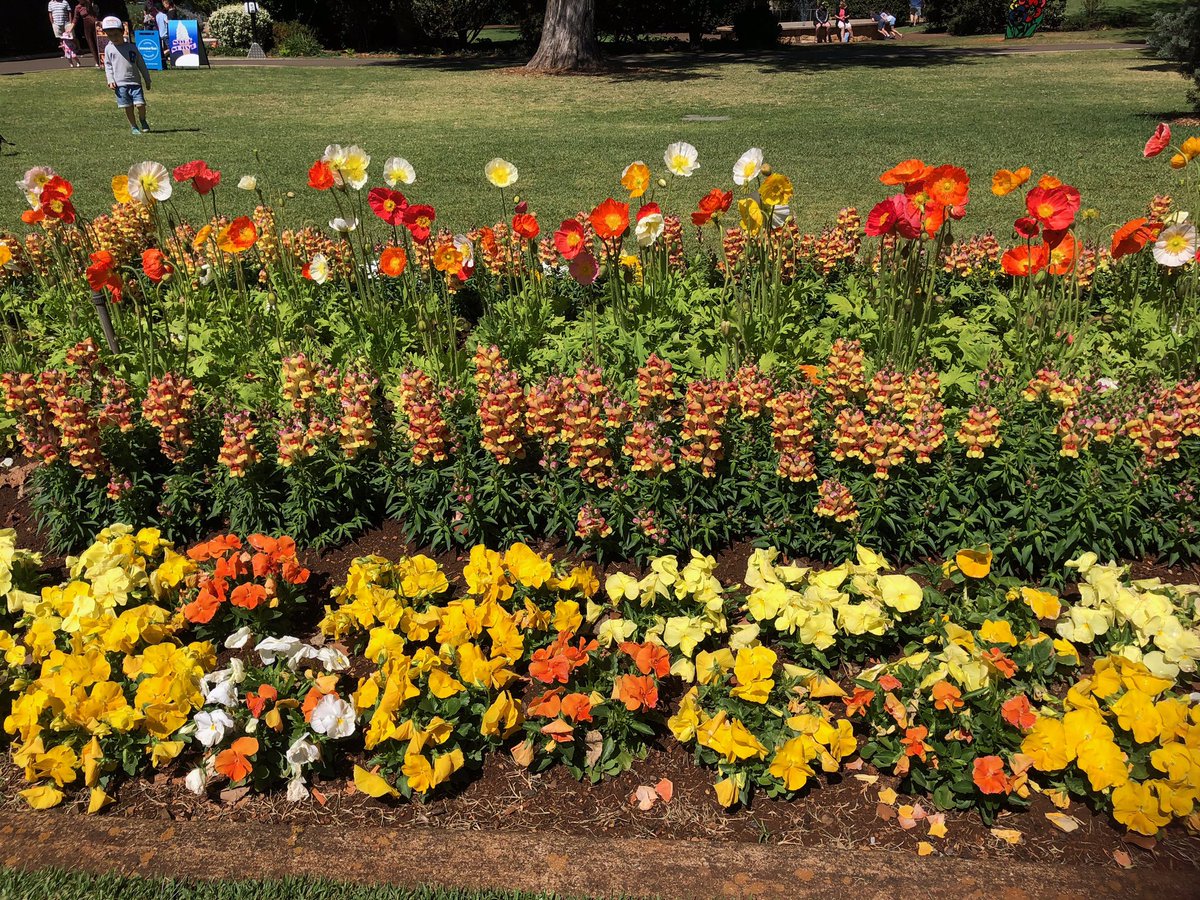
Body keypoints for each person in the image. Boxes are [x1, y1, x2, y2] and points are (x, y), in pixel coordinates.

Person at [101, 15, 152, 135]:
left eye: (116, 35)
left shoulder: (132, 47)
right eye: (110, 35)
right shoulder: (109, 49)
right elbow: (108, 66)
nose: (114, 38)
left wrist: (147, 79)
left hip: (135, 82)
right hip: (120, 84)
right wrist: (110, 80)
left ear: (122, 32)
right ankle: (134, 126)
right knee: (128, 106)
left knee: (140, 105)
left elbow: (141, 64)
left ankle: (142, 119)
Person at [73, 0, 101, 67]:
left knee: (99, 42)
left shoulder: (89, 3)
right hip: (87, 26)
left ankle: (104, 59)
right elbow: (75, 18)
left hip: (97, 25)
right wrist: (70, 28)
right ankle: (97, 61)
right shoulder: (78, 7)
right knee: (91, 43)